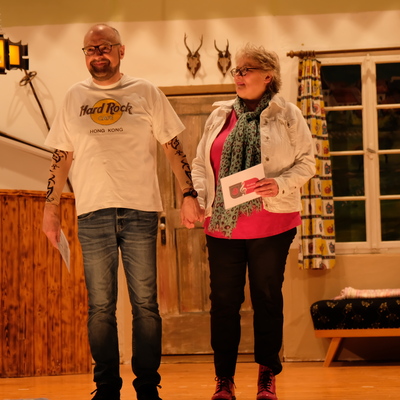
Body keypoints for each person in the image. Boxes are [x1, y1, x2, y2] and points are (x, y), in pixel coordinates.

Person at [42, 24, 201, 400]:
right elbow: (61, 156)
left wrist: (188, 193)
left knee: (146, 304)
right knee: (100, 307)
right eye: (91, 49)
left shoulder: (145, 91)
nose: (98, 54)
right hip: (92, 213)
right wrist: (50, 208)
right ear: (85, 55)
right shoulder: (73, 96)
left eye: (105, 47)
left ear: (121, 51)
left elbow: (172, 146)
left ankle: (147, 386)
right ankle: (106, 387)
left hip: (140, 211)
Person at [190, 44, 316, 400]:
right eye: (237, 70)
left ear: (268, 76)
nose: (239, 75)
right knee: (223, 302)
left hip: (272, 222)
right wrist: (199, 199)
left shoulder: (288, 114)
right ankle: (224, 379)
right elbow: (200, 165)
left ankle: (267, 374)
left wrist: (280, 183)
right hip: (222, 226)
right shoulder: (219, 116)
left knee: (267, 298)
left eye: (246, 69)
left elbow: (307, 163)